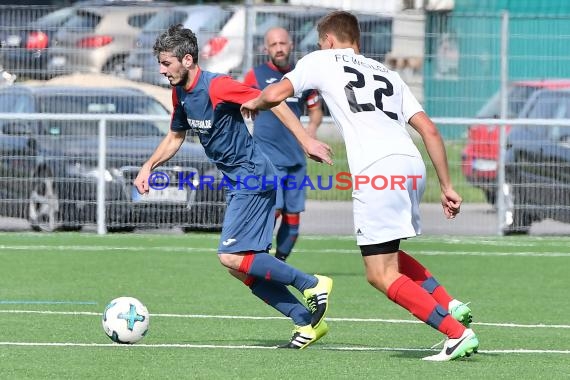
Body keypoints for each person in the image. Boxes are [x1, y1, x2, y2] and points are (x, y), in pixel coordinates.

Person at [241, 11, 479, 361]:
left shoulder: (322, 59)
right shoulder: (388, 73)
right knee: (387, 255)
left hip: (378, 169)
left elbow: (276, 92)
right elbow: (428, 129)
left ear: (330, 41)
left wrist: (253, 102)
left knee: (379, 274)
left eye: (322, 43)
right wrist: (447, 185)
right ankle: (450, 305)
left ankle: (455, 333)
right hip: (411, 165)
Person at [133, 24, 333, 349]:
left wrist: (306, 139)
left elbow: (276, 101)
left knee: (230, 256)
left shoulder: (217, 85)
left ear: (187, 60)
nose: (161, 69)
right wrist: (148, 166)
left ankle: (312, 283)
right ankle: (305, 322)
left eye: (166, 63)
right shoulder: (180, 92)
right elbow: (175, 136)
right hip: (240, 180)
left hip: (253, 176)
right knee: (241, 268)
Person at [243, 27, 323, 262]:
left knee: (293, 218)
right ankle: (260, 260)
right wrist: (251, 106)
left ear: (291, 45)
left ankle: (279, 264)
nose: (278, 48)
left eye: (282, 43)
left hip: (296, 158)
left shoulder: (302, 76)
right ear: (266, 49)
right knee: (273, 210)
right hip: (267, 157)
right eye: (273, 44)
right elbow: (243, 100)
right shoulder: (255, 75)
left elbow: (315, 110)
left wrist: (312, 128)